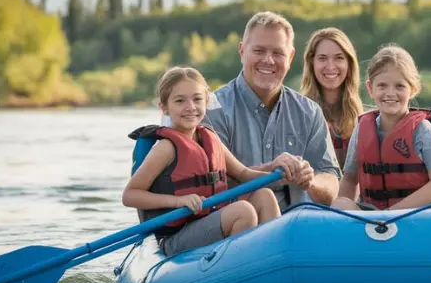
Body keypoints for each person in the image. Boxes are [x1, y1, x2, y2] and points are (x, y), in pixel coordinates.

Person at [123, 66, 302, 257]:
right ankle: (240, 267)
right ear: (164, 107)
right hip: (177, 236)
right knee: (243, 211)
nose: (190, 107)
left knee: (264, 195)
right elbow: (130, 195)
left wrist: (282, 177)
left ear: (207, 101)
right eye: (180, 101)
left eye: (197, 99)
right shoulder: (165, 148)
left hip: (209, 220)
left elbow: (243, 174)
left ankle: (272, 258)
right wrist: (178, 201)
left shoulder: (210, 138)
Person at [203, 11, 342, 209]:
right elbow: (209, 187)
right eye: (259, 51)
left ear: (291, 56)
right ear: (242, 51)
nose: (268, 60)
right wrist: (270, 171)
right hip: (240, 231)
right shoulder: (211, 110)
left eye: (278, 53)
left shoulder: (310, 112)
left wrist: (310, 181)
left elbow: (331, 183)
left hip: (298, 228)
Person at [333, 44, 431, 211]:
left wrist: (391, 214)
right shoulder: (362, 129)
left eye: (399, 86)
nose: (390, 93)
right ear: (370, 89)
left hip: (413, 216)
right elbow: (350, 179)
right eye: (382, 86)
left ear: (413, 89)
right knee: (339, 204)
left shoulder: (424, 131)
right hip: (370, 216)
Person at [299, 27, 364, 169]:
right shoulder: (297, 114)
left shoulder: (364, 120)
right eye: (322, 58)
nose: (330, 66)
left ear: (349, 64)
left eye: (339, 58)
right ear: (312, 63)